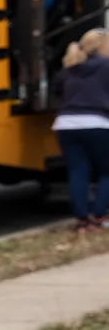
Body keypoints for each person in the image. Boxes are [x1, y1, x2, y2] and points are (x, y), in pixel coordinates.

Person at [54, 28, 109, 233]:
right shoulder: (106, 65)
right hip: (97, 123)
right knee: (106, 171)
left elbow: (58, 91)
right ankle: (99, 216)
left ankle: (82, 221)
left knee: (78, 172)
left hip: (65, 124)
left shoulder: (69, 67)